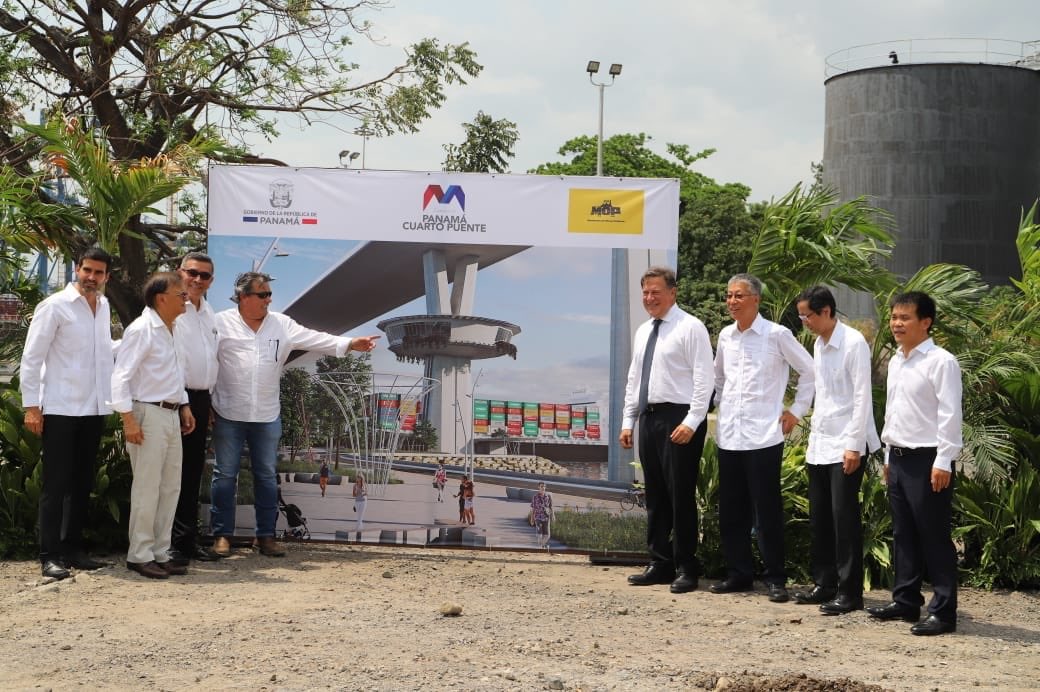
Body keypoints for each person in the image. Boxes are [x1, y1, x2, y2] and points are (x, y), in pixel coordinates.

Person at [209, 271, 380, 557]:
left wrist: (350, 343)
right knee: (225, 476)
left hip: (266, 415)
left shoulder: (281, 324)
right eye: (263, 294)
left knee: (266, 476)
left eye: (269, 294)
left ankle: (265, 536)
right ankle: (221, 535)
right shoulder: (219, 323)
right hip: (228, 411)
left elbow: (315, 338)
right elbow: (206, 362)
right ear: (243, 297)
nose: (269, 299)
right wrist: (205, 402)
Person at [711, 273, 815, 603]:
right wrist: (719, 406)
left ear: (756, 299)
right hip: (730, 436)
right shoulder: (726, 336)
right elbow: (719, 378)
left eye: (739, 295)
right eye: (729, 295)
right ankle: (738, 574)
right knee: (731, 511)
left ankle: (775, 579)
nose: (732, 301)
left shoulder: (777, 334)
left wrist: (796, 410)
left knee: (766, 511)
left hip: (763, 437)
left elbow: (810, 370)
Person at [868, 291, 962, 636]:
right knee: (903, 533)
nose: (896, 323)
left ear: (926, 322)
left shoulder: (941, 362)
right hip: (898, 457)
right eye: (894, 317)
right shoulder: (897, 360)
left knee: (934, 536)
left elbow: (950, 414)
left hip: (928, 460)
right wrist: (888, 455)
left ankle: (943, 612)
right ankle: (906, 600)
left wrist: (944, 461)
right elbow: (893, 412)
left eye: (904, 318)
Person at [20, 247, 116, 580]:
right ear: (77, 269)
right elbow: (32, 358)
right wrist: (32, 407)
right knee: (56, 485)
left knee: (82, 483)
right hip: (60, 408)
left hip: (94, 408)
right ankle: (50, 555)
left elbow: (103, 355)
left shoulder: (103, 306)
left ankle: (73, 549)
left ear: (107, 277)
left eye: (98, 272)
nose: (92, 277)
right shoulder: (54, 306)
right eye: (87, 270)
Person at [620, 266, 714, 594]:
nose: (649, 298)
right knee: (656, 495)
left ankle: (686, 567)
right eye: (645, 292)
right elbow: (635, 378)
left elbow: (705, 379)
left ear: (672, 293)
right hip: (649, 417)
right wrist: (628, 421)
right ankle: (659, 563)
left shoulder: (691, 327)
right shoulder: (644, 330)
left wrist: (692, 421)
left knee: (680, 495)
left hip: (680, 418)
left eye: (656, 292)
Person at [794, 286, 880, 614]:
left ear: (827, 311)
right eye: (802, 316)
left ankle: (850, 592)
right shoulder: (819, 344)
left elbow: (861, 397)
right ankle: (825, 583)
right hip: (821, 443)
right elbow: (824, 396)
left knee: (844, 519)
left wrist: (854, 446)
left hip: (847, 443)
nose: (805, 322)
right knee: (820, 518)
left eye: (808, 316)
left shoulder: (853, 343)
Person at [111, 273, 196, 579]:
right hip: (147, 412)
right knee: (147, 487)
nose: (186, 299)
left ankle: (161, 552)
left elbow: (175, 373)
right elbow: (120, 376)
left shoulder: (174, 329)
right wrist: (128, 419)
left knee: (170, 486)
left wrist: (184, 404)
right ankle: (140, 554)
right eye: (181, 295)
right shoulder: (142, 329)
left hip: (170, 413)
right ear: (161, 298)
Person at [169, 252, 223, 566]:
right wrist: (183, 402)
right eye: (192, 273)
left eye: (204, 276)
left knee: (191, 473)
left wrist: (208, 401)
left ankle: (187, 541)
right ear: (180, 272)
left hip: (202, 400)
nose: (198, 280)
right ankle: (170, 545)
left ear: (211, 281)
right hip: (178, 399)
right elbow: (173, 361)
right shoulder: (172, 308)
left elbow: (209, 360)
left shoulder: (209, 312)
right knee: (173, 474)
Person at [530, 482, 555, 548]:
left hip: (546, 518)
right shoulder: (535, 497)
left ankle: (542, 545)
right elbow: (533, 509)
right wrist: (532, 519)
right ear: (538, 487)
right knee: (539, 535)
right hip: (538, 517)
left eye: (544, 486)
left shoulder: (548, 496)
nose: (543, 488)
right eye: (541, 486)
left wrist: (553, 516)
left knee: (547, 535)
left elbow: (551, 507)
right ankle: (541, 548)